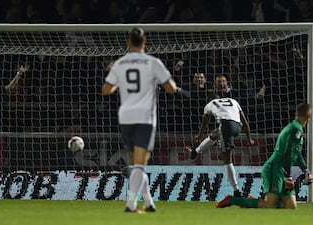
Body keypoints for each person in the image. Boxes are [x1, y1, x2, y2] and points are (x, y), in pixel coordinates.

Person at [102, 27, 182, 213]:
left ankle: (148, 202)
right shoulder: (153, 62)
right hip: (145, 117)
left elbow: (106, 90)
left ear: (129, 41)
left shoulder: (120, 64)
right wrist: (169, 84)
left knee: (137, 164)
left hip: (126, 117)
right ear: (145, 40)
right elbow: (170, 88)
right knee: (140, 164)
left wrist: (119, 83)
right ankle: (131, 203)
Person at [216, 103, 313, 209]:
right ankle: (232, 200)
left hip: (283, 169)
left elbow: (296, 153)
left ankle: (251, 202)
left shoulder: (296, 127)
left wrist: (306, 171)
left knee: (291, 206)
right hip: (276, 168)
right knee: (269, 205)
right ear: (309, 117)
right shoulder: (296, 128)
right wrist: (288, 176)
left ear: (296, 113)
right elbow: (287, 151)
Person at [186, 95, 254, 197]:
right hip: (237, 127)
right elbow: (244, 121)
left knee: (227, 160)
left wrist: (200, 135)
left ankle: (236, 191)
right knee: (215, 133)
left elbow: (205, 122)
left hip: (226, 126)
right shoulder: (233, 100)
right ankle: (195, 152)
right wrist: (249, 138)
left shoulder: (209, 105)